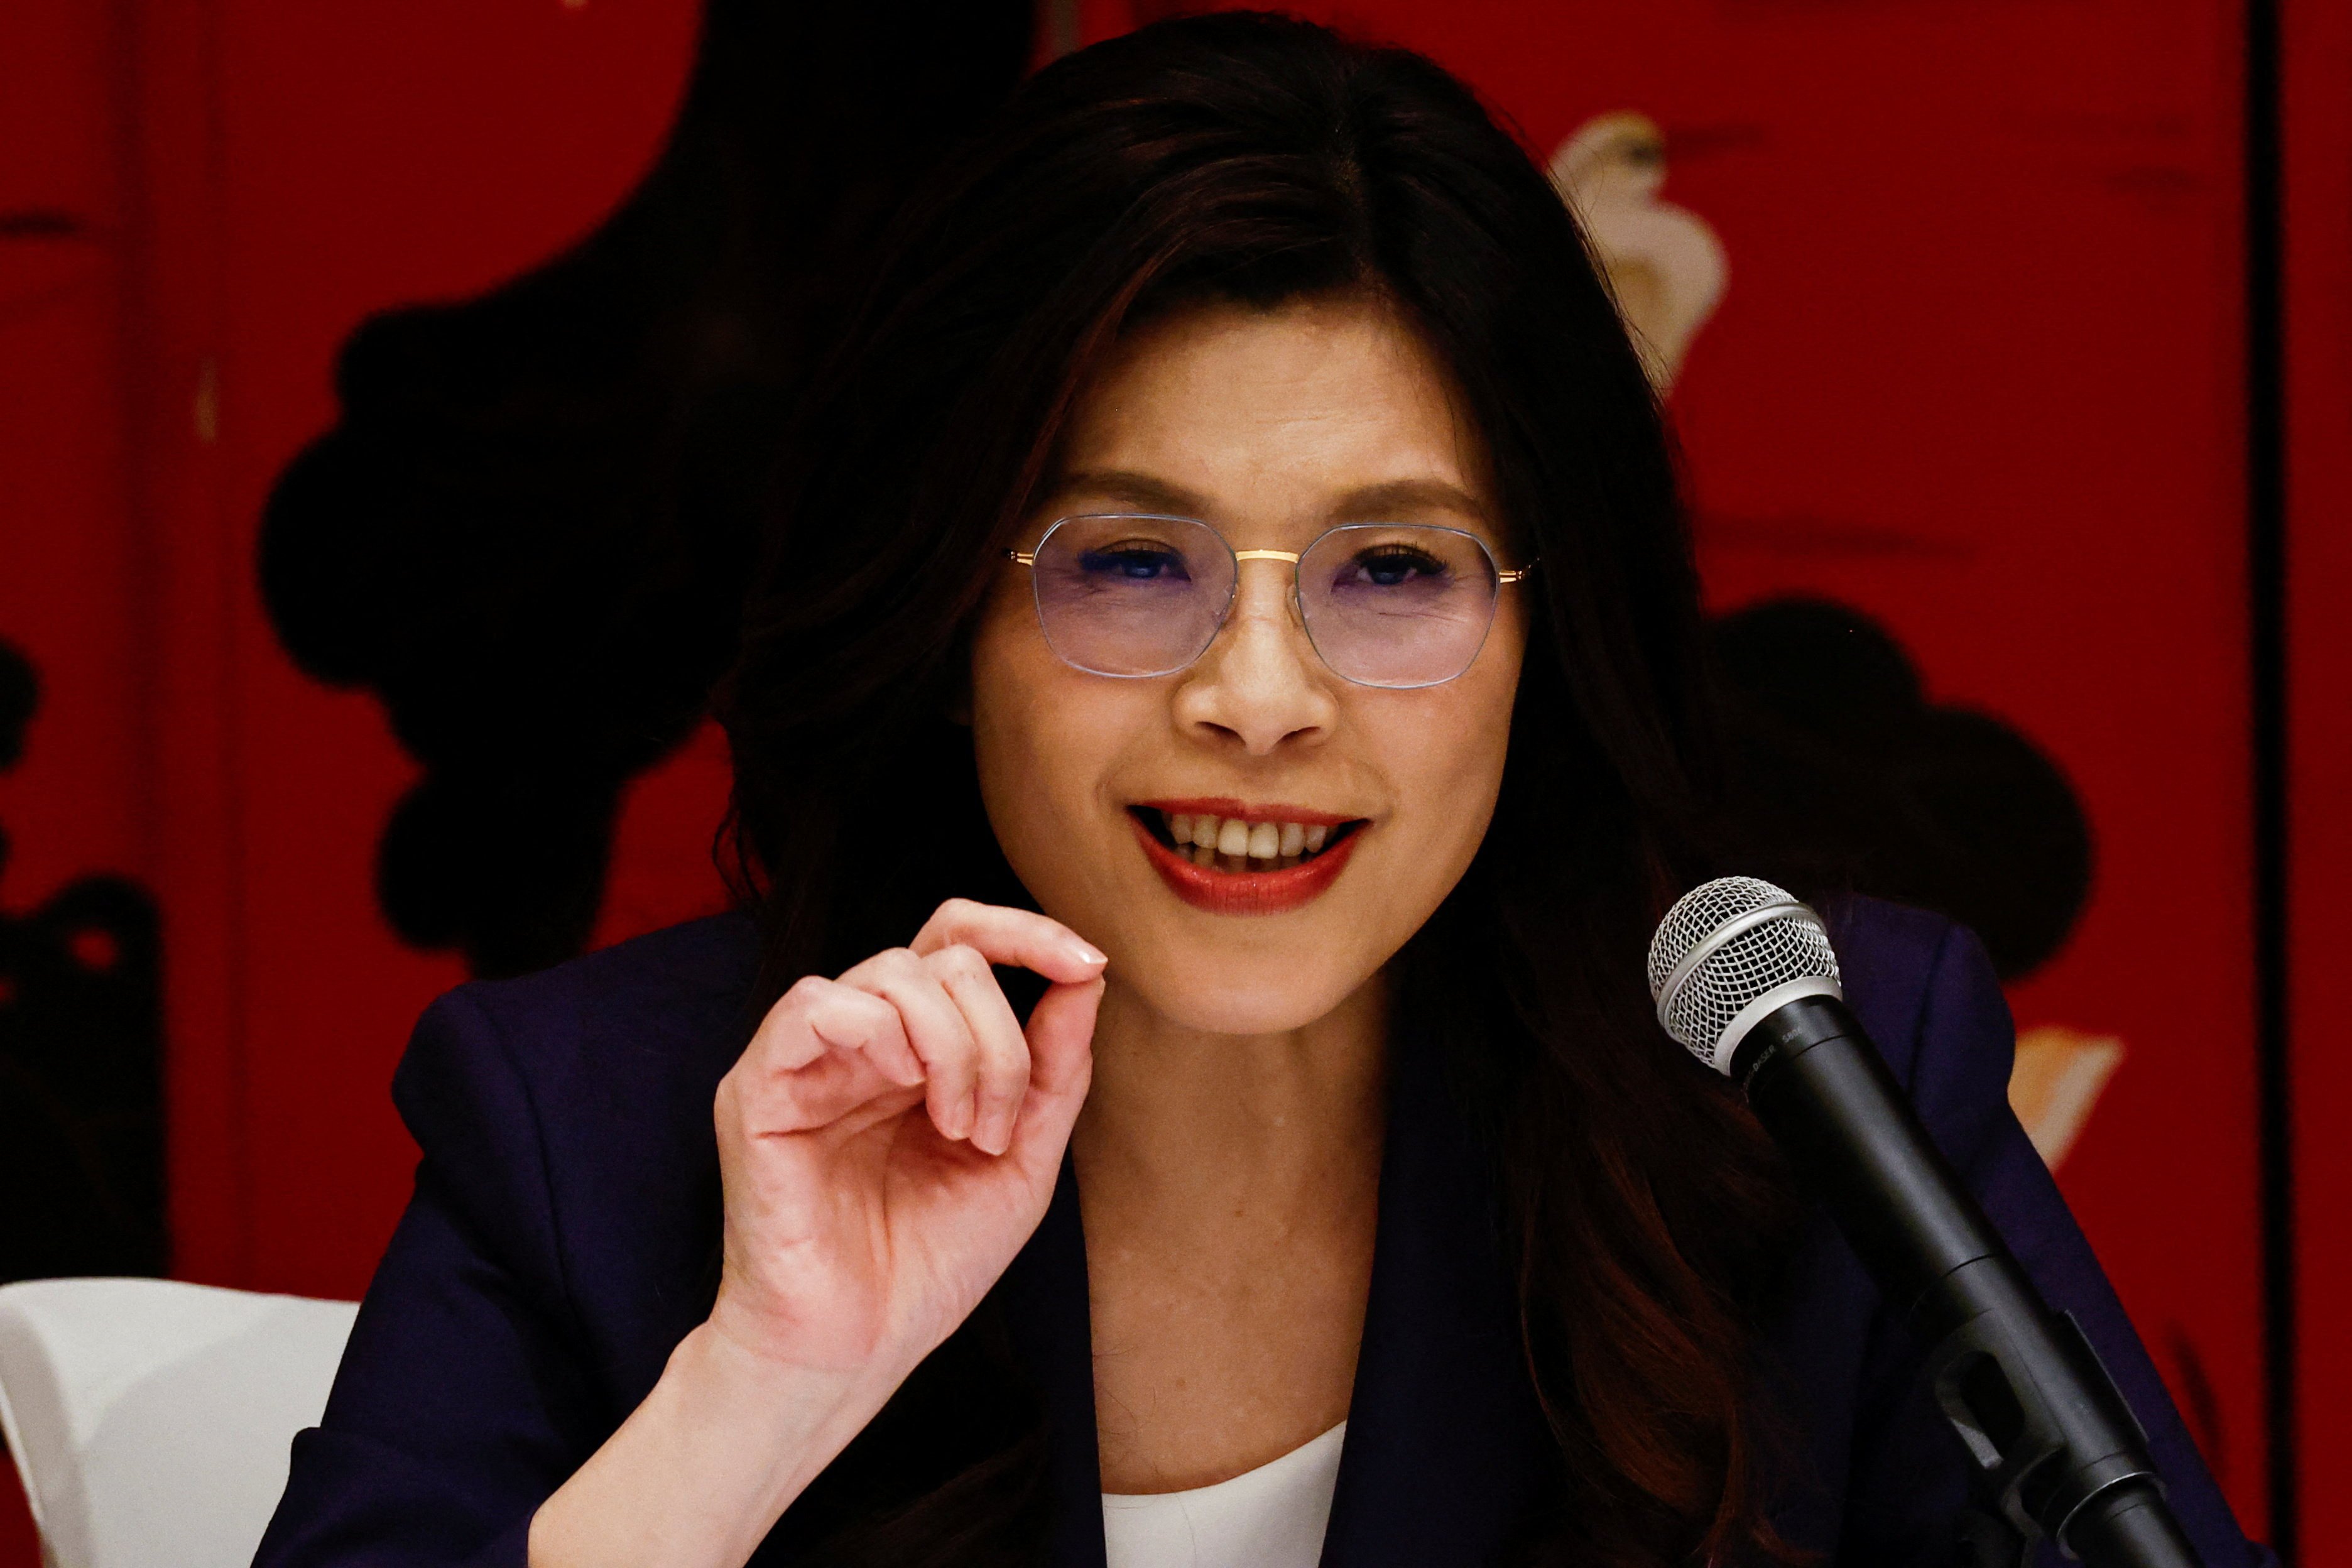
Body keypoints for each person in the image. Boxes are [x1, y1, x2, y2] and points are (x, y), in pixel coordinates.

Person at [254, 14, 2265, 1567]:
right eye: (1133, 563)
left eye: (1395, 571)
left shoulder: (1809, 1083)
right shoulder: (593, 1132)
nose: (1261, 699)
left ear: (1542, 634)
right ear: (950, 607)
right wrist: (760, 1392)